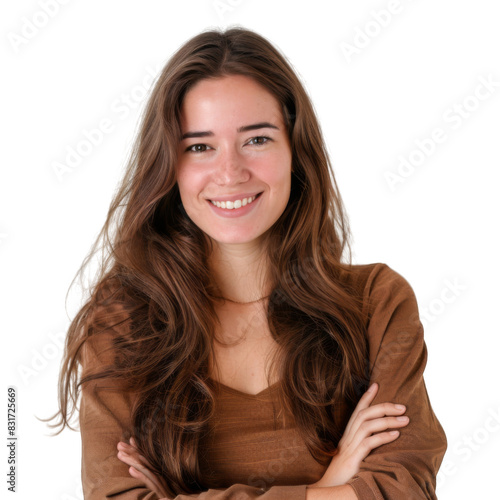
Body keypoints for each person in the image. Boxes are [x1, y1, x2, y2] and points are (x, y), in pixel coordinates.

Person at [49, 27, 447, 499]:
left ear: (295, 150)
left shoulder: (376, 304)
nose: (230, 172)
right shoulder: (124, 322)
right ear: (168, 165)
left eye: (256, 139)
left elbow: (404, 490)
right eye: (199, 146)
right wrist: (329, 484)